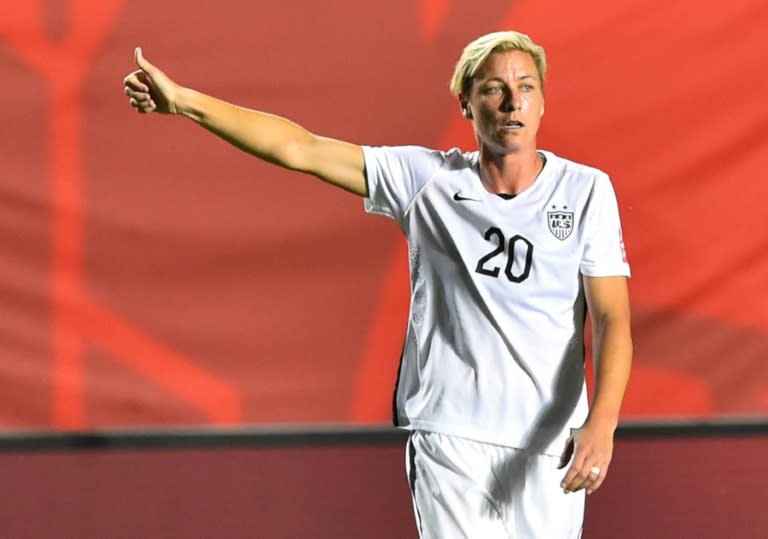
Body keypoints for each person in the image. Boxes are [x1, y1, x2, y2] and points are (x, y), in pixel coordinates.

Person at [123, 30, 632, 539]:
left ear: (543, 101)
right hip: (451, 436)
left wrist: (602, 423)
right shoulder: (426, 180)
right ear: (466, 103)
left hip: (551, 444)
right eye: (493, 88)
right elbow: (301, 147)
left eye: (525, 86)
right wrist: (185, 102)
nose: (512, 101)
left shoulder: (586, 191)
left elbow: (611, 318)